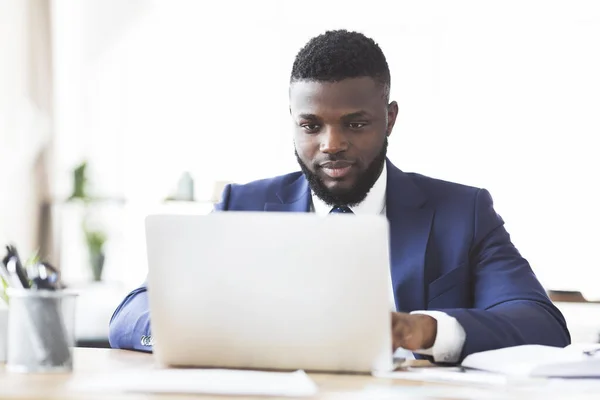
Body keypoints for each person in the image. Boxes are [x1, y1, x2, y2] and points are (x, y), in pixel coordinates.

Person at [109, 29, 570, 363]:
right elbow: (131, 313)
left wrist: (420, 329)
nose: (330, 144)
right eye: (311, 125)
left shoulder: (462, 212)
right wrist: (204, 329)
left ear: (388, 119)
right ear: (292, 119)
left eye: (354, 123)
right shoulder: (242, 205)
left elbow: (540, 323)